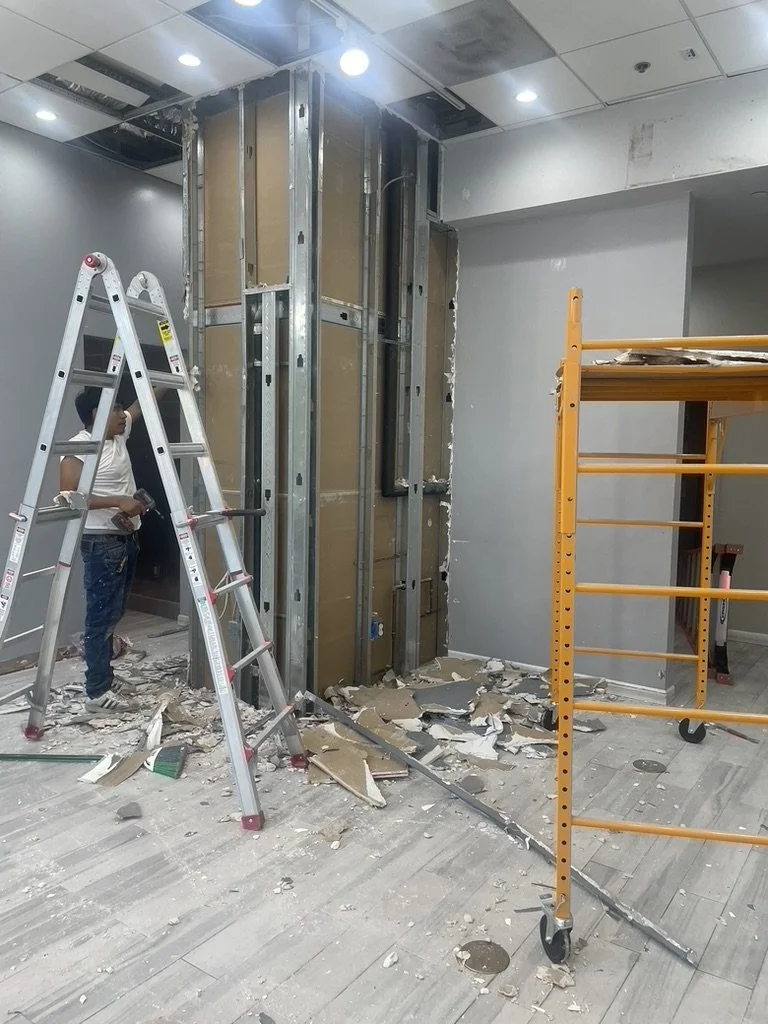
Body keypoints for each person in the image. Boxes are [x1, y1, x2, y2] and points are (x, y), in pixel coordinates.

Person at [59, 387, 162, 712]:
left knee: (115, 614)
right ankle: (96, 692)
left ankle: (104, 674)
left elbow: (139, 405)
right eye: (117, 410)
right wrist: (117, 502)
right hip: (100, 542)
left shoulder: (117, 435)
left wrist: (172, 379)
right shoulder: (77, 450)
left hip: (126, 538)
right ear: (95, 415)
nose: (123, 416)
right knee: (100, 618)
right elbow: (68, 499)